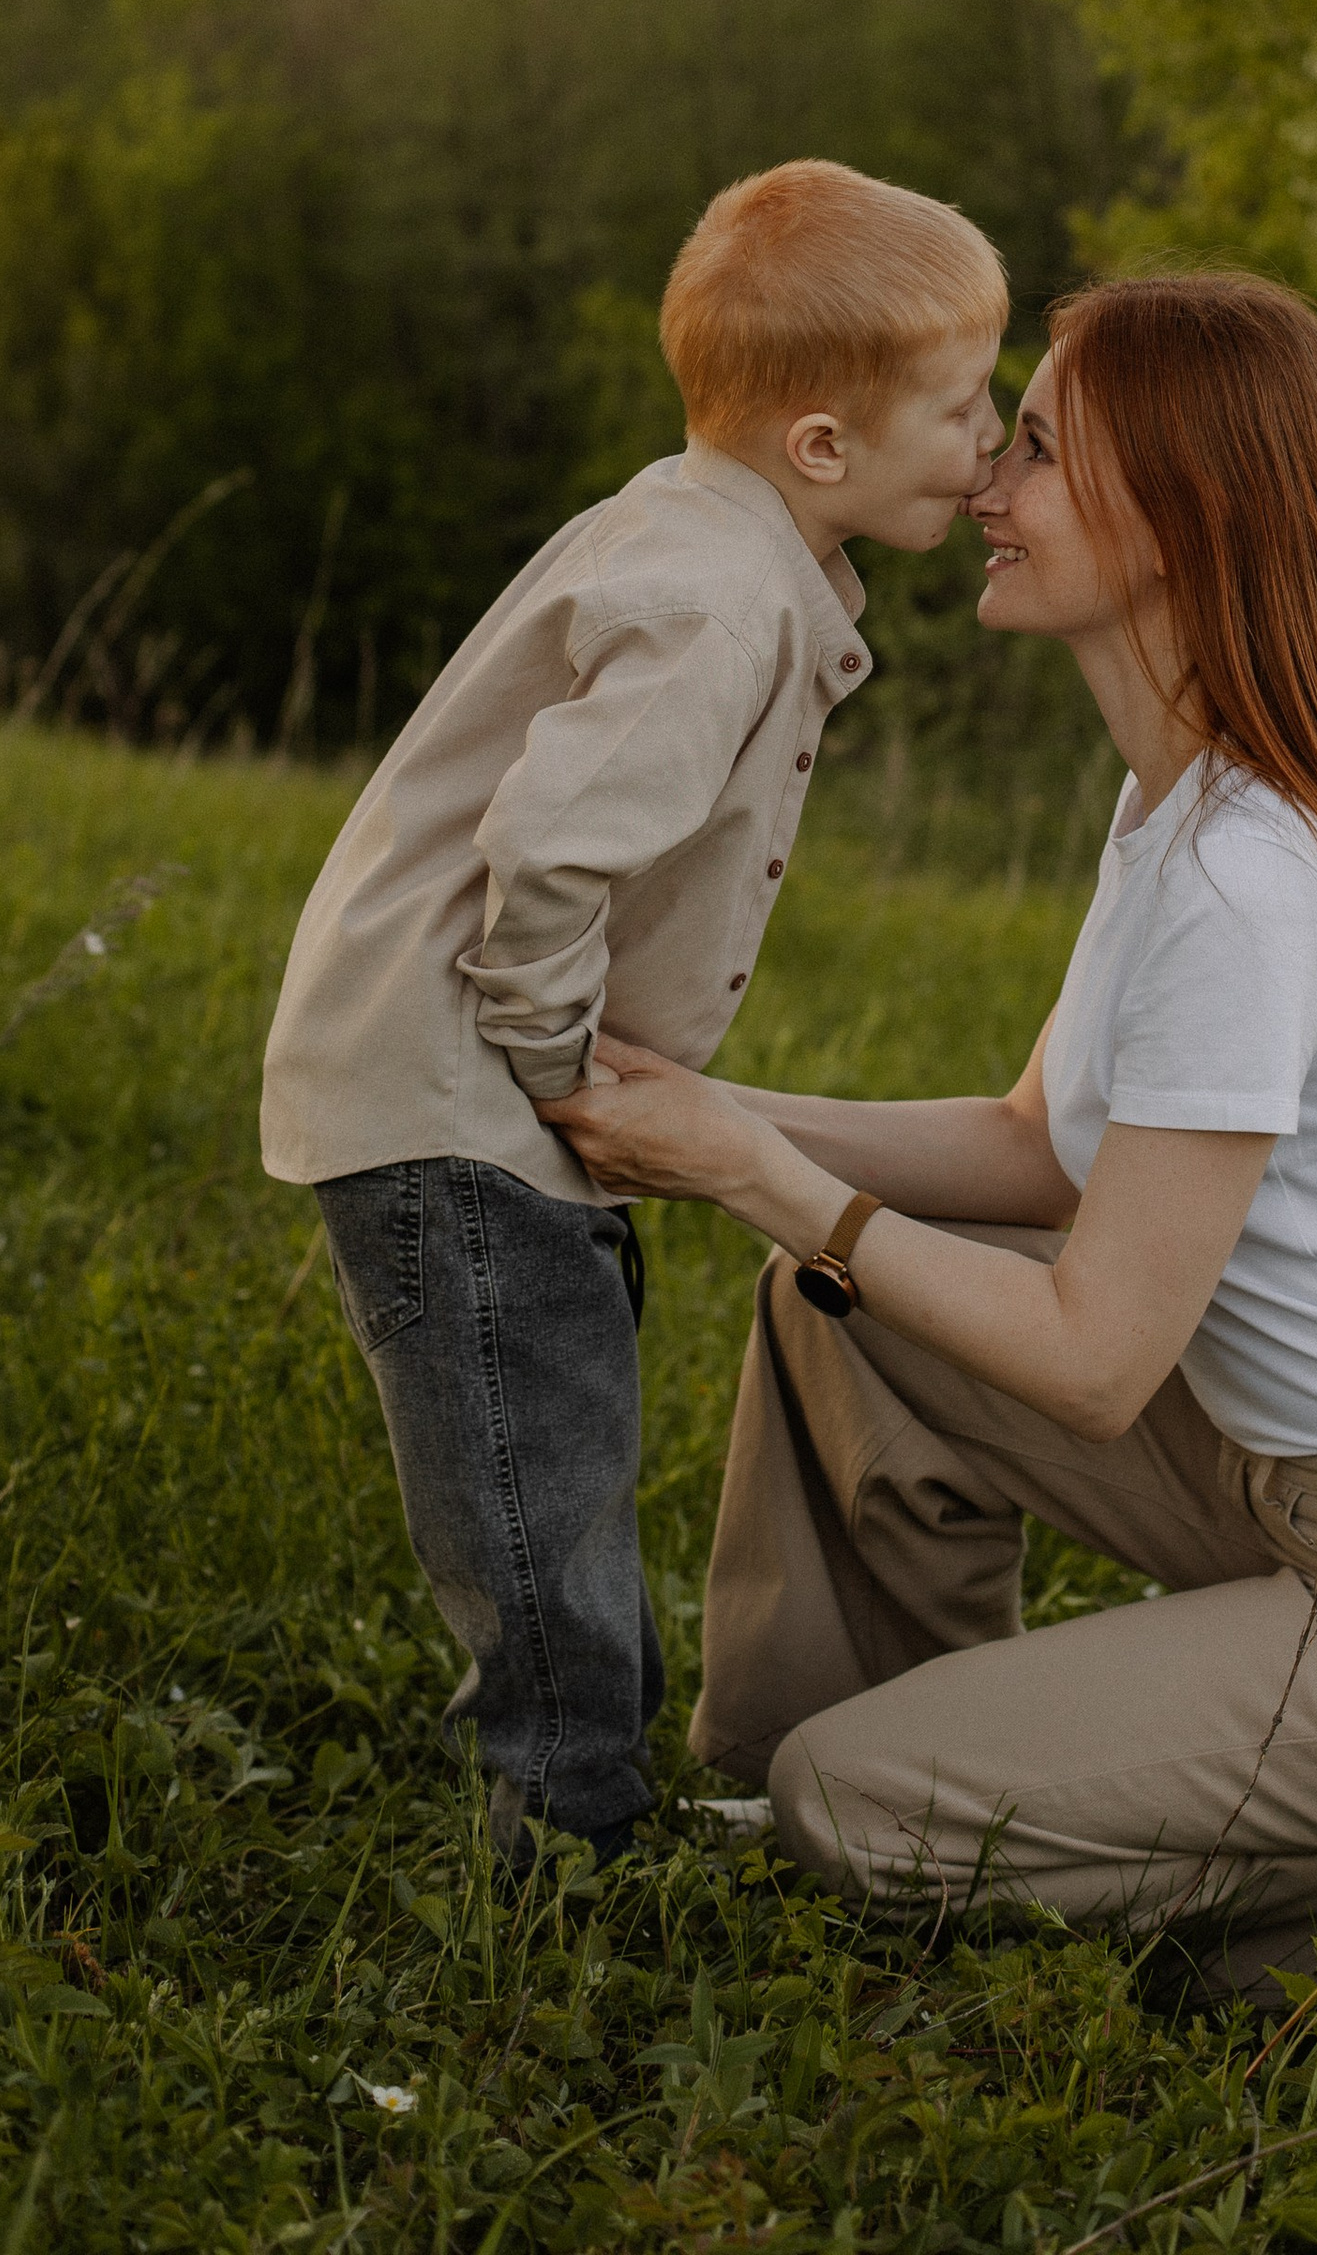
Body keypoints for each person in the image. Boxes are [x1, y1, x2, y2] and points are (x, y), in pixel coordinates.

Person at [542, 271, 1317, 1982]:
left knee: (870, 1811)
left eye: (1034, 452)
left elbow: (1094, 1362)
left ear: (1178, 518)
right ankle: (804, 1814)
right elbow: (1038, 1146)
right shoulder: (1180, 797)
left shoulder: (1248, 875)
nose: (984, 492)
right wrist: (709, 1116)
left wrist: (763, 1177)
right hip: (1312, 1485)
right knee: (839, 1325)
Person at [261, 160, 1007, 1860]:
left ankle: (583, 1800)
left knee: (558, 1447)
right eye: (963, 410)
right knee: (536, 1499)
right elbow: (551, 841)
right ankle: (561, 1851)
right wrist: (550, 1062)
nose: (992, 442)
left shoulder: (711, 540)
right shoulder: (719, 601)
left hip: (475, 1094)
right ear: (822, 447)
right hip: (460, 1095)